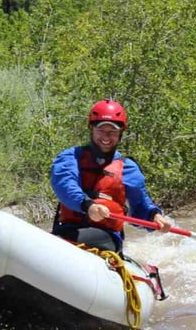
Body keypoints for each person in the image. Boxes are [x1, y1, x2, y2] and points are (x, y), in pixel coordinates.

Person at [50, 99, 172, 253]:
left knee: (80, 238)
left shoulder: (128, 168)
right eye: (101, 130)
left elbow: (141, 205)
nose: (106, 137)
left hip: (107, 236)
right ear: (91, 129)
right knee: (65, 237)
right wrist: (88, 205)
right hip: (69, 229)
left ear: (121, 133)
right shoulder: (70, 157)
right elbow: (65, 184)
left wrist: (154, 216)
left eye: (113, 131)